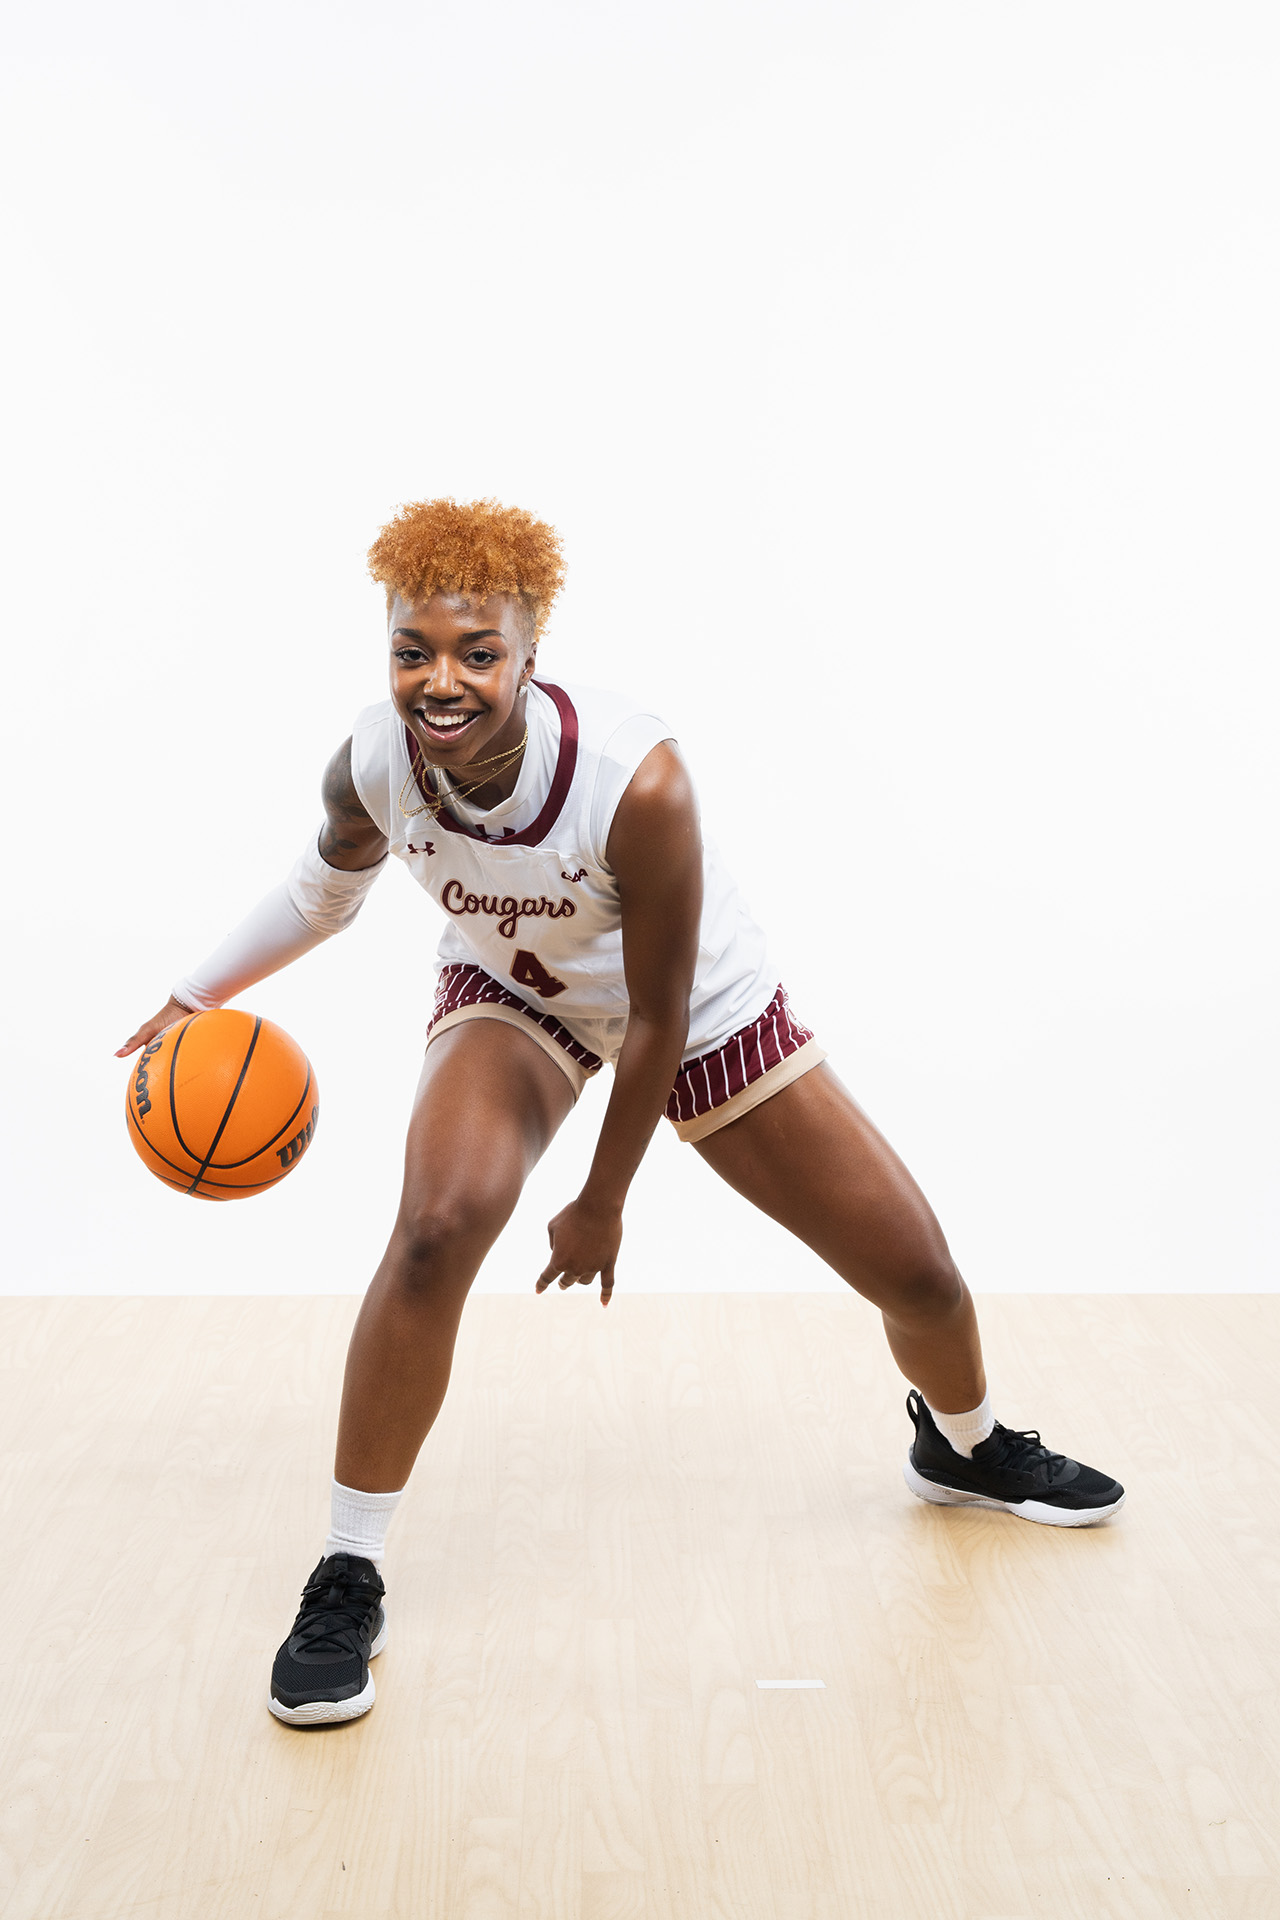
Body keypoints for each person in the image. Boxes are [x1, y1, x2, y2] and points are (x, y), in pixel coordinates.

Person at [118, 498, 1124, 1727]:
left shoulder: (634, 783)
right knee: (437, 1229)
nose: (440, 680)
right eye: (411, 650)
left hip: (692, 1009)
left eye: (476, 652)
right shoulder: (374, 761)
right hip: (513, 984)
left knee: (918, 1277)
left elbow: (651, 1021)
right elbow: (319, 895)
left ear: (529, 656)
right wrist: (188, 995)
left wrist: (601, 1200)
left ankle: (964, 1447)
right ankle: (348, 1568)